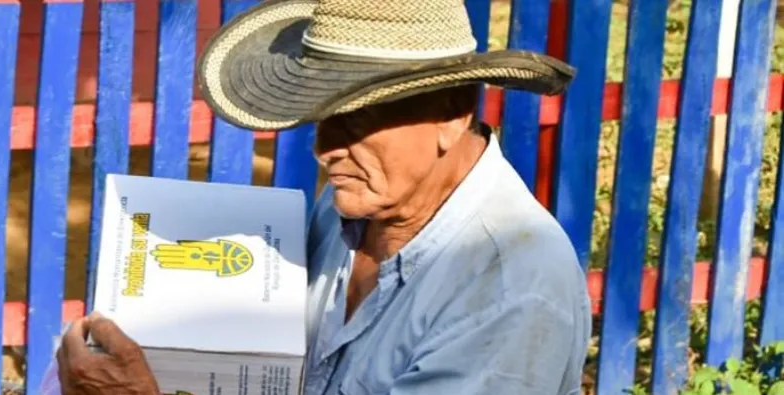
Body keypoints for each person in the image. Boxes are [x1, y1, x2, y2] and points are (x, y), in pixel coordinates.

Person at [57, 0, 592, 394]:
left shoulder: (511, 288)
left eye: (357, 120)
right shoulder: (357, 205)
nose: (325, 148)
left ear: (451, 116)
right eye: (321, 120)